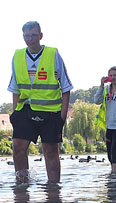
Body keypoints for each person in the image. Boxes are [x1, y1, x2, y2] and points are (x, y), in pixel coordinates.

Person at [8, 21, 73, 183]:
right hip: (25, 109)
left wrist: (63, 115)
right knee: (18, 148)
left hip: (50, 112)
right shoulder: (17, 56)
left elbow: (65, 87)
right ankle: (22, 185)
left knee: (51, 151)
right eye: (26, 36)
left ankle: (53, 188)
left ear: (40, 36)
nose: (30, 39)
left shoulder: (53, 54)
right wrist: (15, 112)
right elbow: (15, 88)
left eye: (33, 35)